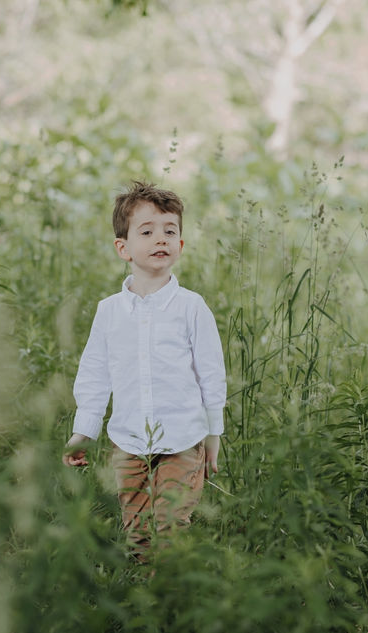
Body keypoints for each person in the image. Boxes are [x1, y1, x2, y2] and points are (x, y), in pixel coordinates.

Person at [62, 181, 227, 558]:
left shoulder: (191, 307)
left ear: (180, 245)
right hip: (129, 441)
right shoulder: (109, 312)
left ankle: (172, 586)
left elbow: (211, 373)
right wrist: (82, 432)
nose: (160, 239)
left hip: (182, 438)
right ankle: (145, 585)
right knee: (136, 531)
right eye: (147, 231)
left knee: (170, 523)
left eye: (170, 231)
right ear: (123, 248)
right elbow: (95, 375)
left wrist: (213, 432)